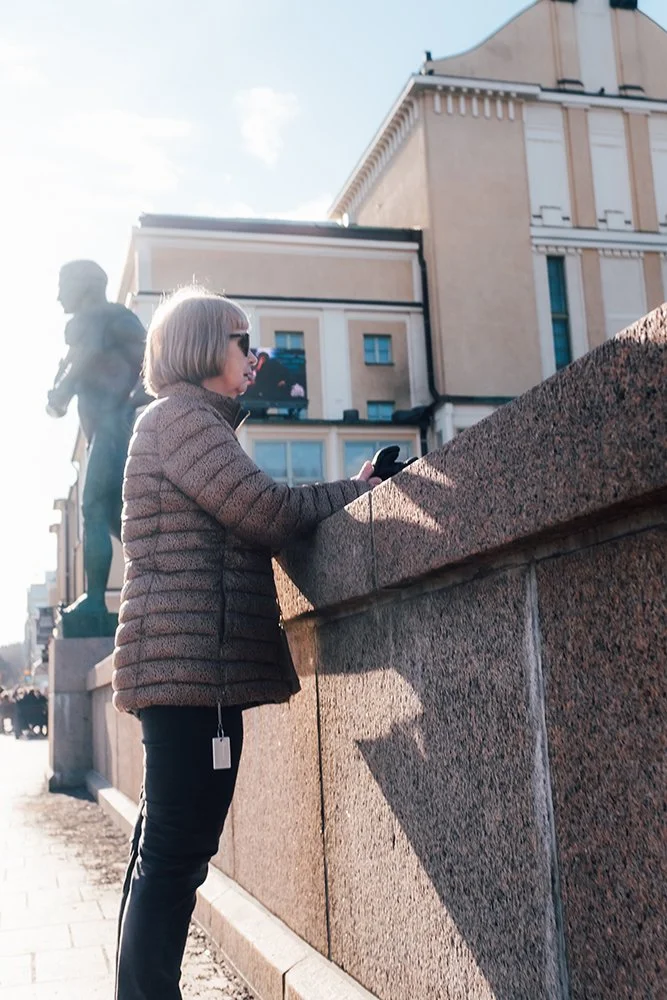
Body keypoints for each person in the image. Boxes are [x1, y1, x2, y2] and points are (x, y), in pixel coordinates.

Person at [112, 286, 381, 1000]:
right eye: (241, 341)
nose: (253, 355)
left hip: (187, 670)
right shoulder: (183, 420)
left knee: (164, 851)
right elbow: (265, 511)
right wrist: (354, 493)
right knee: (174, 856)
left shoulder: (188, 422)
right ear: (204, 346)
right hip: (188, 672)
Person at [46, 260, 148, 632]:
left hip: (112, 429)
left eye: (64, 285)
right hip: (100, 434)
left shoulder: (115, 319)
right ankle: (156, 575)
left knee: (94, 508)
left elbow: (152, 364)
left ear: (85, 285)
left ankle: (94, 600)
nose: (59, 296)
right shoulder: (84, 332)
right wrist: (61, 390)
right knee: (116, 517)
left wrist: (129, 403)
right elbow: (70, 385)